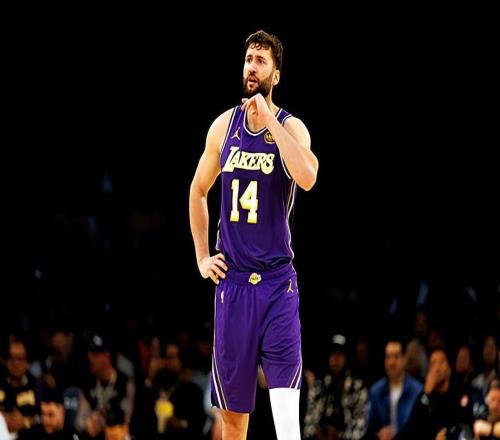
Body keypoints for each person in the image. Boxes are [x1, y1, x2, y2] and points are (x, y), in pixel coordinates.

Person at [189, 29, 318, 440]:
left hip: (278, 285)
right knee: (233, 420)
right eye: (248, 59)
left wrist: (270, 122)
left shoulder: (291, 126)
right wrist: (202, 257)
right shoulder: (223, 126)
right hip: (234, 285)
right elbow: (197, 190)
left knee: (286, 420)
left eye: (261, 61)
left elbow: (308, 176)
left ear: (275, 75)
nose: (252, 66)